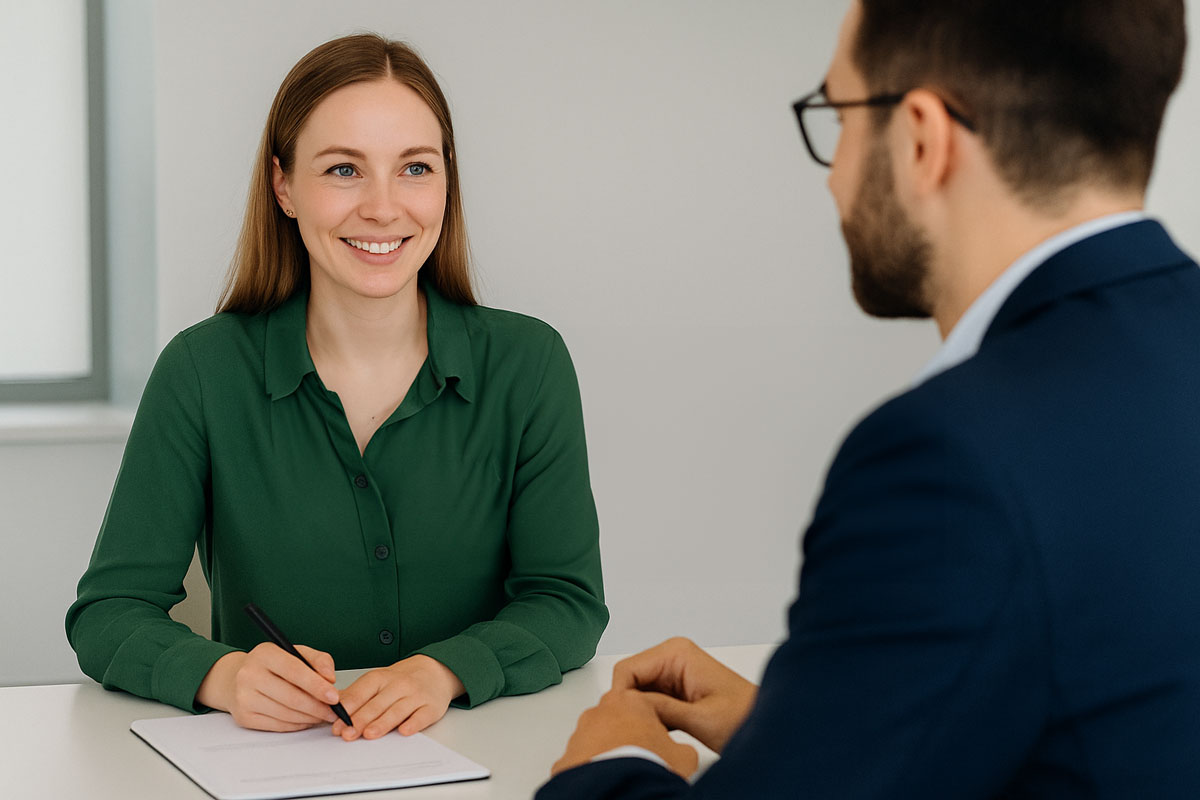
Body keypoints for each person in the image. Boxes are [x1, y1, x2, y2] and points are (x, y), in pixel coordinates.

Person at [539, 0, 1200, 796]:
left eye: (840, 116)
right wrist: (802, 724)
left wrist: (609, 762)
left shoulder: (951, 460)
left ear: (922, 138)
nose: (834, 174)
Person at [66, 33, 607, 741]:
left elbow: (566, 602)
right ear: (284, 186)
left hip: (484, 759)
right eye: (344, 170)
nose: (383, 208)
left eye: (415, 167)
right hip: (273, 764)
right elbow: (109, 612)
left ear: (447, 181)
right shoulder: (201, 370)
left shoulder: (529, 364)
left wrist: (444, 672)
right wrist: (223, 676)